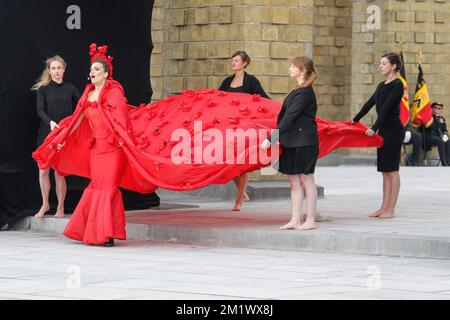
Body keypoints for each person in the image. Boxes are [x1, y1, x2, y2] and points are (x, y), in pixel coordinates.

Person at [262, 56, 319, 231]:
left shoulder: (305, 92)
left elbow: (289, 118)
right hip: (292, 142)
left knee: (306, 179)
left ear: (302, 71)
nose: (290, 69)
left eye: (293, 66)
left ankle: (310, 220)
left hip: (304, 142)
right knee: (294, 181)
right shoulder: (298, 90)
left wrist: (271, 138)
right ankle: (295, 219)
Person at [352, 52, 405, 219]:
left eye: (383, 63)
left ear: (393, 66)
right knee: (384, 170)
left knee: (392, 170)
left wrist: (374, 128)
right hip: (384, 130)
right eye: (380, 63)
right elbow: (370, 103)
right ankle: (383, 207)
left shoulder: (397, 85)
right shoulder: (382, 85)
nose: (380, 66)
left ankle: (391, 209)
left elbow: (388, 108)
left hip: (394, 130)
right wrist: (355, 119)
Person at [219, 51, 270, 211]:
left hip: (245, 128)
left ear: (245, 63)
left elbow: (263, 98)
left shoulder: (251, 81)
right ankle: (243, 193)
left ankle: (239, 200)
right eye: (232, 60)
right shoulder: (227, 81)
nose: (233, 63)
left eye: (236, 60)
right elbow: (217, 99)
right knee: (228, 162)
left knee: (242, 164)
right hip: (229, 127)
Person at [32, 55, 80, 219]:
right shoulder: (43, 89)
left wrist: (71, 126)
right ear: (49, 70)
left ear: (64, 69)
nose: (56, 71)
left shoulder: (71, 88)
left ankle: (60, 207)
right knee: (43, 170)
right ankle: (45, 203)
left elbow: (80, 109)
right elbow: (39, 110)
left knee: (59, 172)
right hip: (46, 133)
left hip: (64, 135)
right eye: (53, 68)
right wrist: (51, 122)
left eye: (59, 68)